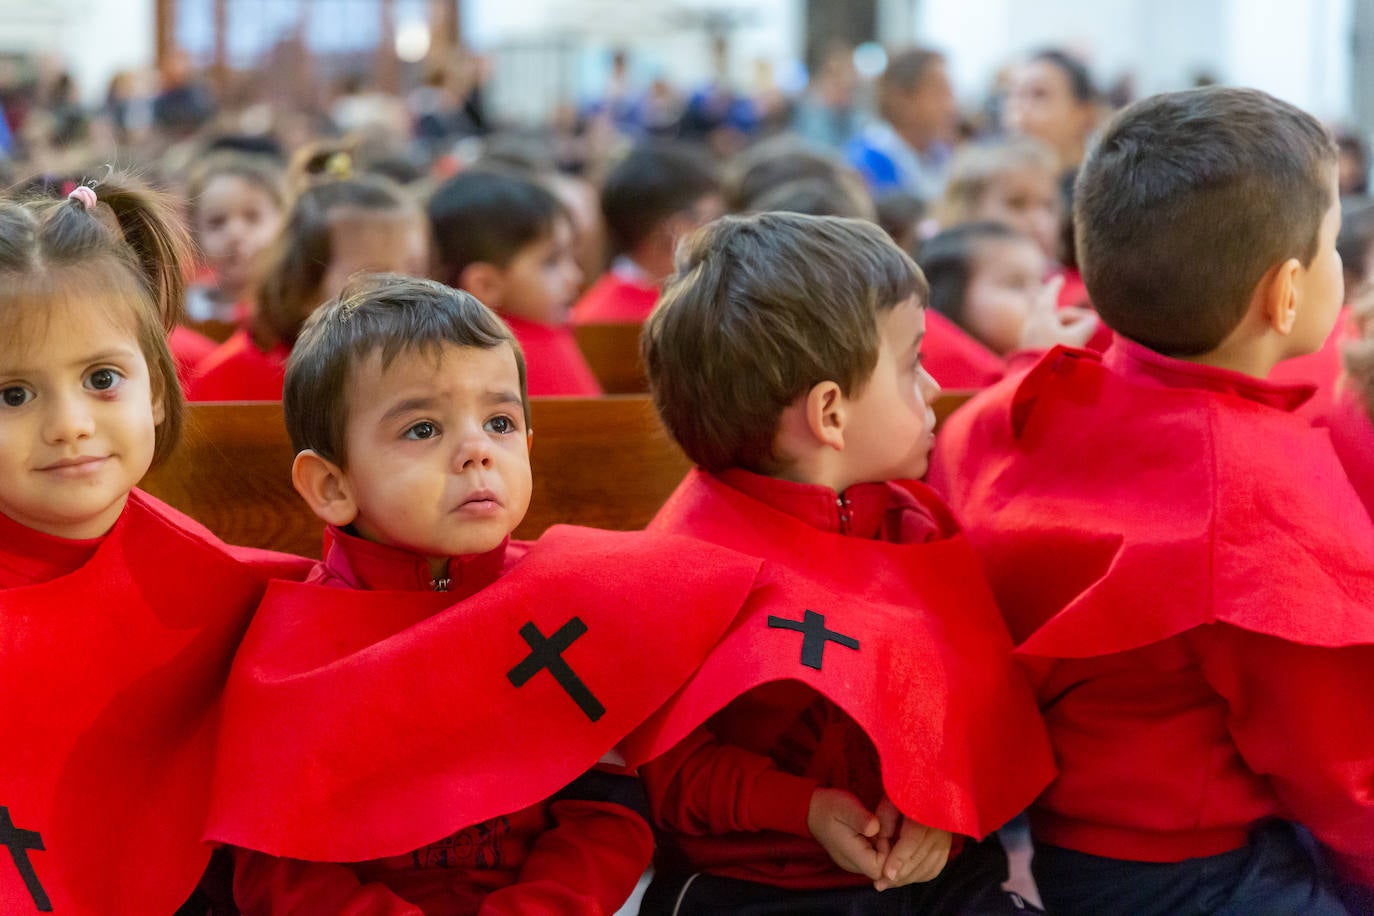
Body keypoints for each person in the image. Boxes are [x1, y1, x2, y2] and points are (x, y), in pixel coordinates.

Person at [930, 87, 1374, 914]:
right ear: (1284, 294)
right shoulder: (1259, 489)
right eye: (1331, 245)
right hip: (1209, 874)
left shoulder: (1022, 401)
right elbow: (1344, 777)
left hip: (1073, 844)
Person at [203, 274, 763, 913]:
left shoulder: (563, 602)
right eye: (422, 430)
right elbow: (278, 870)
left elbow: (607, 812)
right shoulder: (291, 652)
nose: (476, 452)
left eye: (499, 422)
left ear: (527, 446)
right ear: (332, 485)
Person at [626, 213, 1055, 913]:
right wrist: (804, 809)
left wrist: (941, 810)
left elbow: (974, 704)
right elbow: (673, 773)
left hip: (931, 871)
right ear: (830, 413)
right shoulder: (687, 562)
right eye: (912, 363)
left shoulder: (917, 527)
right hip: (756, 885)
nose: (935, 385)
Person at [0, 176, 307, 914]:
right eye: (12, 394)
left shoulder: (228, 595)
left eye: (102, 379)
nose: (69, 424)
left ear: (159, 392)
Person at [186, 157, 427, 401]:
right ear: (304, 290)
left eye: (415, 271)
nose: (405, 291)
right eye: (376, 276)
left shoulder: (429, 365)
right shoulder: (227, 383)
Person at [428, 168, 600, 396]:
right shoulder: (523, 351)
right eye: (551, 262)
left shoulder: (550, 331)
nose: (574, 277)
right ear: (485, 285)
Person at [570, 143, 722, 325]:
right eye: (710, 220)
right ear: (677, 228)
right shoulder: (683, 316)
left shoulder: (590, 311)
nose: (717, 233)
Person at [184, 151, 287, 326]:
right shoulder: (183, 314)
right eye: (216, 222)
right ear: (195, 234)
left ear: (285, 222)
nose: (235, 233)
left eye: (252, 217)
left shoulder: (298, 310)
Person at [846, 48, 958, 203]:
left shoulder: (944, 154)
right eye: (939, 93)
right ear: (901, 98)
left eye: (951, 93)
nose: (950, 106)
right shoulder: (866, 162)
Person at [1001, 50, 1098, 176]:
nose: (1021, 109)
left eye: (1039, 94)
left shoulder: (1102, 189)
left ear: (1084, 113)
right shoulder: (995, 184)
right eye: (1015, 94)